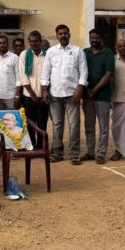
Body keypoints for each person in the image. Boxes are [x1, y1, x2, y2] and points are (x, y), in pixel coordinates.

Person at [40, 24, 88, 165]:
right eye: (60, 34)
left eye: (65, 33)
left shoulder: (77, 51)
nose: (63, 36)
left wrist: (80, 88)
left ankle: (74, 154)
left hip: (72, 94)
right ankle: (57, 153)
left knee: (74, 125)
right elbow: (45, 71)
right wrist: (44, 89)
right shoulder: (51, 51)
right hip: (55, 94)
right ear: (57, 36)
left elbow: (84, 71)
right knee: (57, 124)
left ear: (69, 34)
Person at [82, 29, 116, 164]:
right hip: (87, 96)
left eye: (97, 37)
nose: (94, 40)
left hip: (103, 96)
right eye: (92, 38)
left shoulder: (108, 53)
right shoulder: (84, 52)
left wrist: (94, 89)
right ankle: (90, 152)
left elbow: (109, 75)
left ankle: (101, 154)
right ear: (89, 38)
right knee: (89, 126)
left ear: (101, 38)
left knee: (103, 127)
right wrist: (86, 90)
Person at [18, 30, 48, 147]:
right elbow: (23, 76)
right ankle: (31, 145)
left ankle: (41, 146)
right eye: (31, 41)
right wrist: (32, 95)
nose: (33, 43)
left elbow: (49, 74)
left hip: (43, 95)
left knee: (42, 123)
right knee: (30, 122)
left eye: (36, 41)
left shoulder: (47, 55)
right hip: (28, 95)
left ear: (40, 41)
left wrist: (45, 92)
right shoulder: (24, 54)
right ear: (28, 42)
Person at [0, 34, 21, 110]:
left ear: (8, 44)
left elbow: (19, 79)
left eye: (4, 43)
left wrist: (17, 96)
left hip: (11, 96)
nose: (2, 45)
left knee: (12, 117)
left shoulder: (14, 58)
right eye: (0, 43)